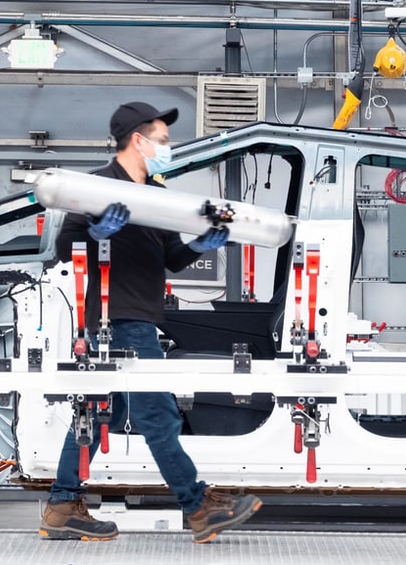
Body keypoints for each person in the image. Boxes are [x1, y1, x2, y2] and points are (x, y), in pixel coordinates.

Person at [41, 101, 262, 543]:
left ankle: (63, 505)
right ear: (138, 141)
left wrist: (203, 242)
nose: (168, 147)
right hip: (114, 316)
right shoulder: (94, 188)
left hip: (140, 315)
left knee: (102, 413)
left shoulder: (157, 195)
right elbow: (65, 249)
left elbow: (173, 260)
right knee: (157, 413)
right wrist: (96, 233)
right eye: (162, 139)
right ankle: (197, 506)